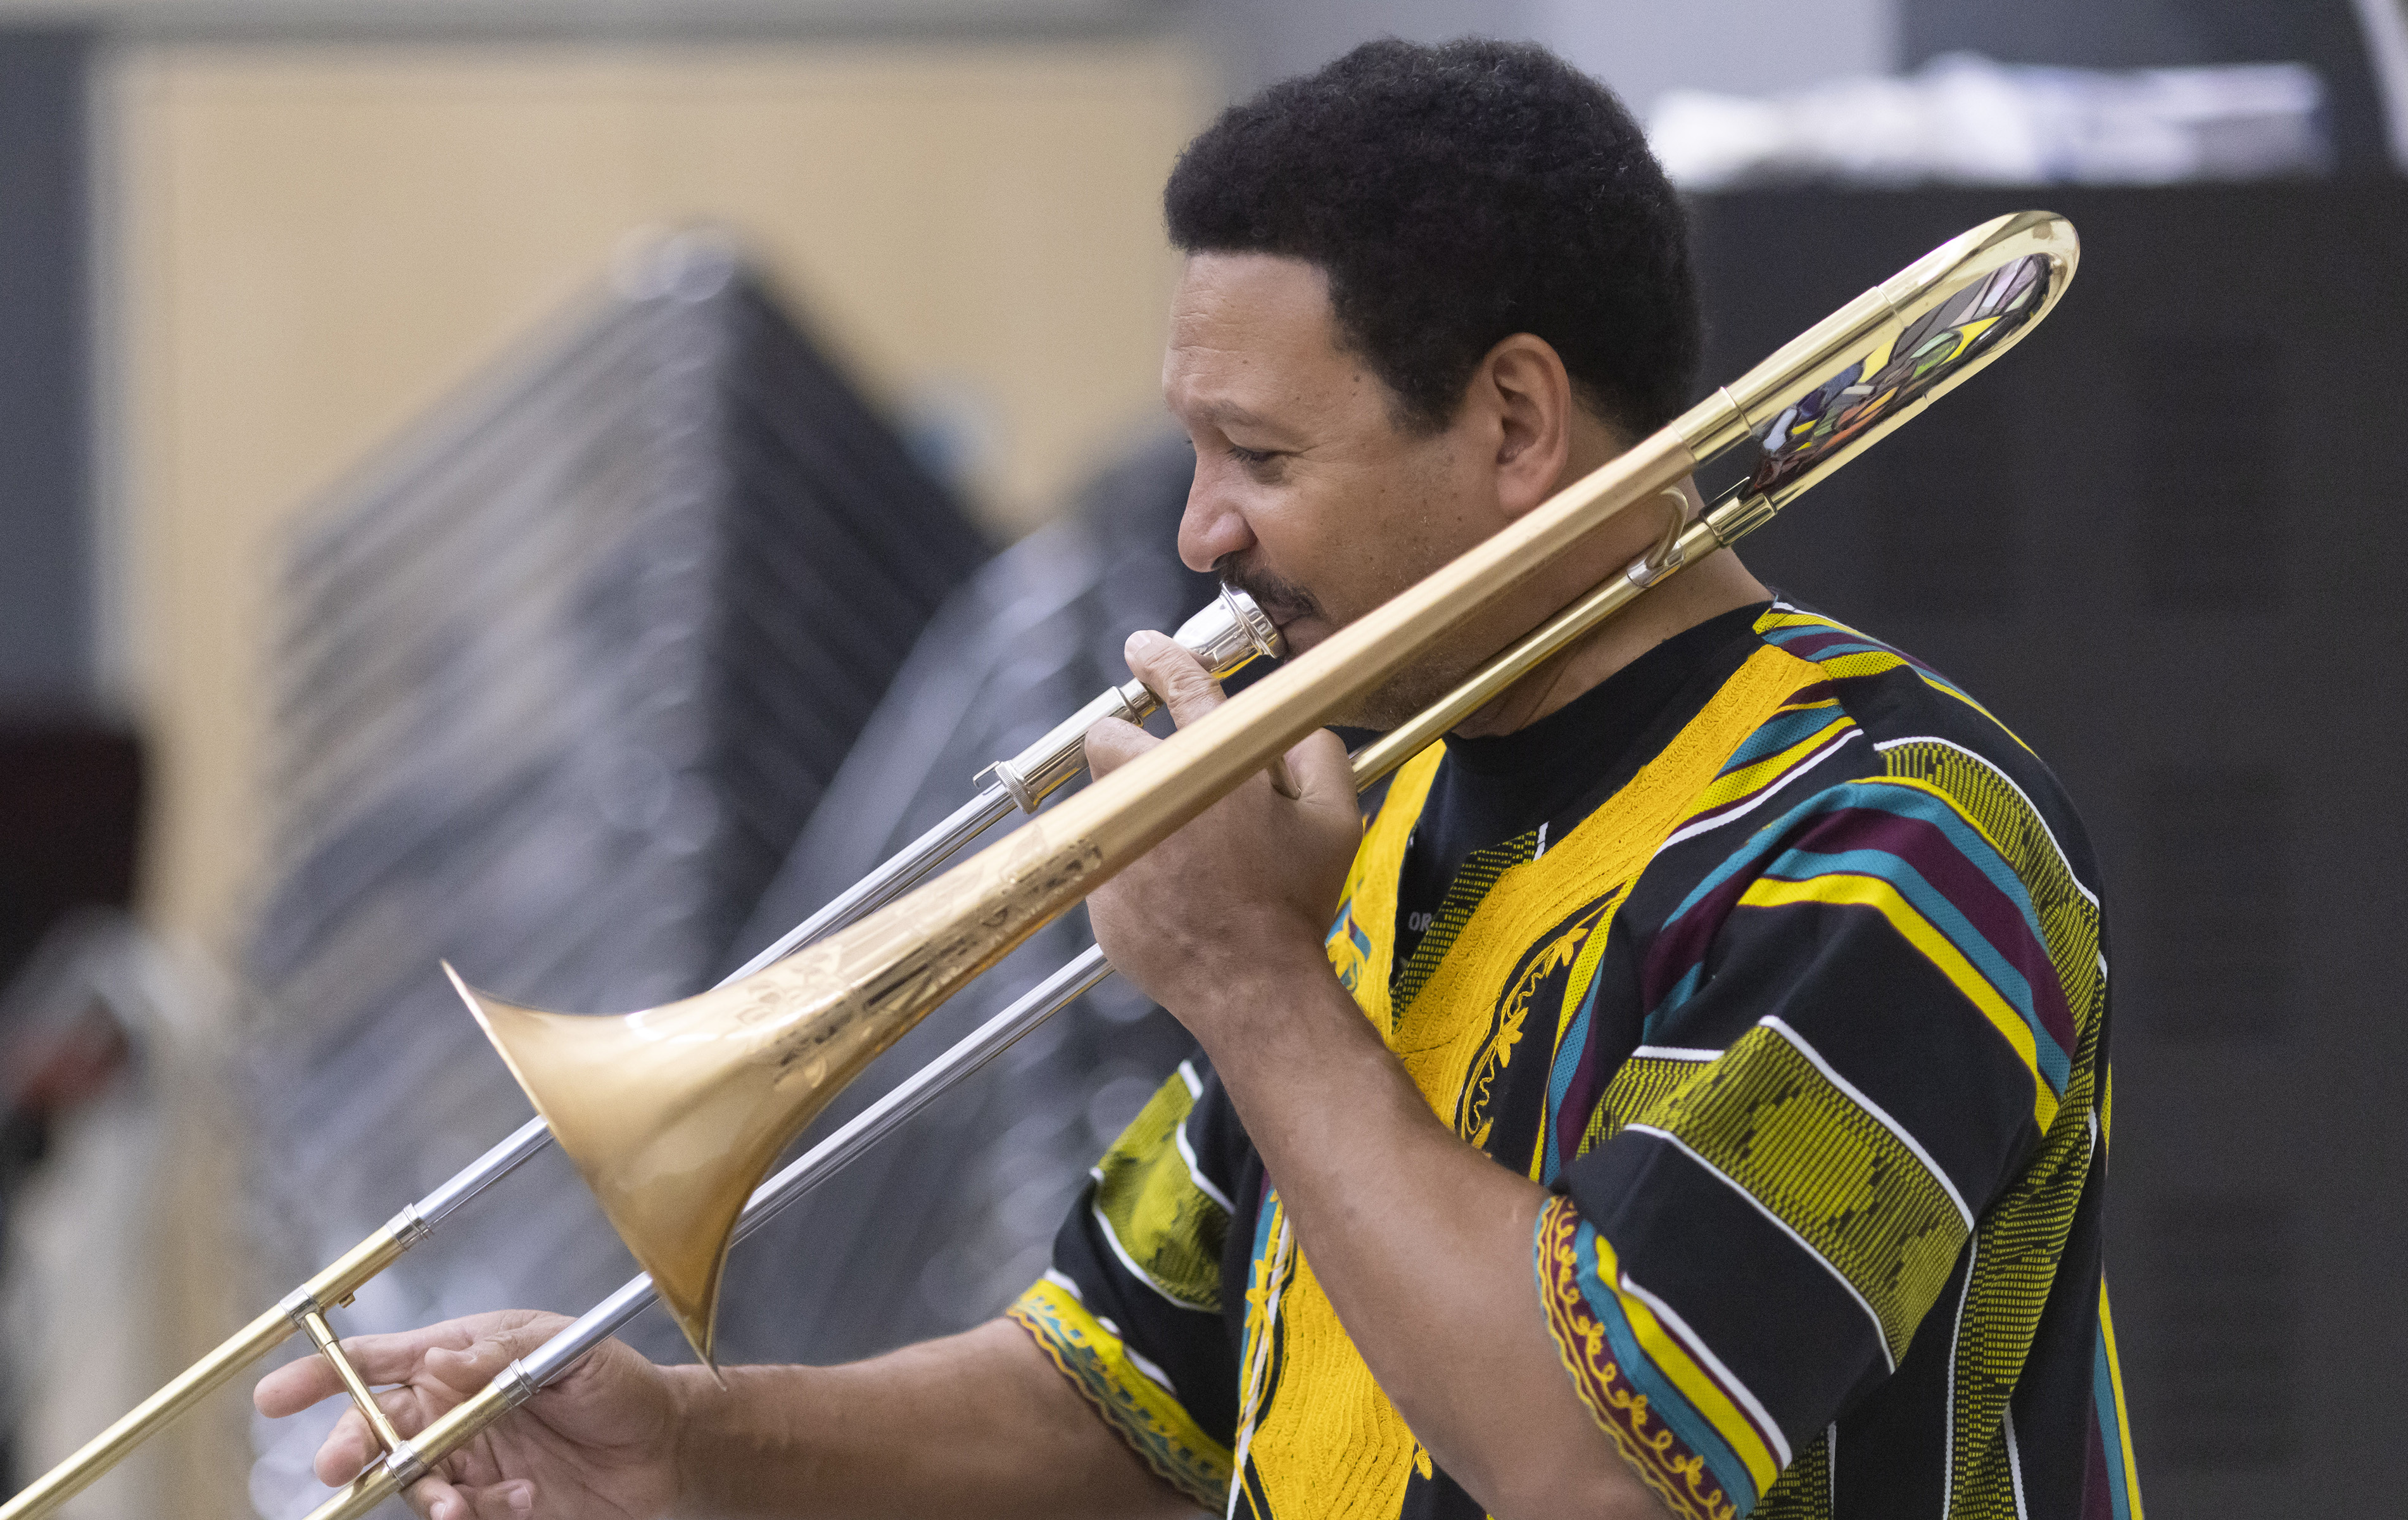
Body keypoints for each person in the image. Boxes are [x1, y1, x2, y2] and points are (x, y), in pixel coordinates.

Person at [256, 38, 2141, 1520]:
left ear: (1510, 423)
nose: (1196, 531)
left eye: (1255, 452)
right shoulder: (1364, 815)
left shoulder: (1893, 836)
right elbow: (1117, 1391)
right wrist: (684, 1448)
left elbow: (1597, 1464)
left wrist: (1251, 986)